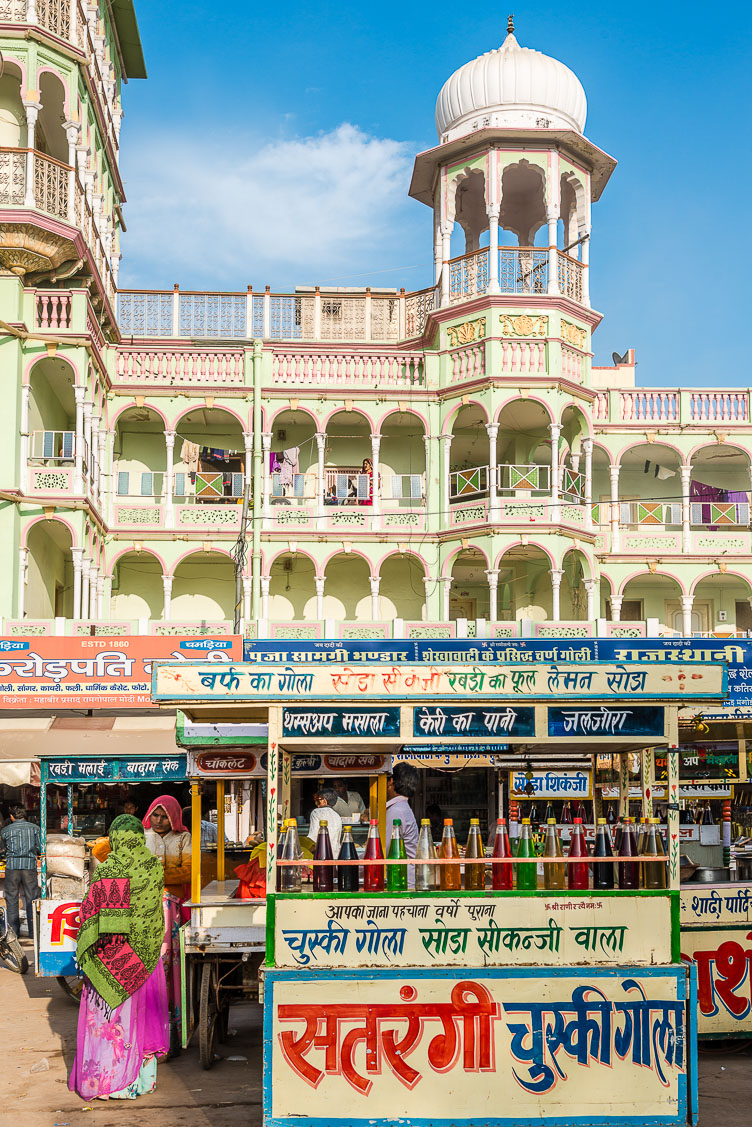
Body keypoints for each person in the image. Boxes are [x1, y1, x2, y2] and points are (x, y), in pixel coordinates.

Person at [69, 814, 169, 1100]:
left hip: (113, 958)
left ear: (114, 838)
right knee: (143, 1017)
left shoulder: (109, 869)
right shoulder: (153, 867)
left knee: (113, 1020)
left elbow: (91, 913)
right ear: (139, 837)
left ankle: (111, 1083)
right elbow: (152, 911)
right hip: (146, 954)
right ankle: (144, 1081)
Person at [0, 803, 41, 939]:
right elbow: (41, 848)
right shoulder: (35, 828)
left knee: (11, 899)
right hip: (29, 866)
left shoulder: (5, 831)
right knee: (32, 898)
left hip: (12, 867)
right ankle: (33, 933)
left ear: (11, 816)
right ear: (24, 815)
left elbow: (2, 850)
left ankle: (13, 934)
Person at [142, 796, 192, 899]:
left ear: (174, 817)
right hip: (143, 897)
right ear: (149, 814)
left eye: (165, 817)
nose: (159, 821)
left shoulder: (183, 837)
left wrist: (155, 877)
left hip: (175, 898)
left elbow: (189, 871)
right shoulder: (140, 835)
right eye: (155, 815)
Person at [386, 764, 419, 886]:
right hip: (404, 878)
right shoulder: (401, 808)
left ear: (391, 782)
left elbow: (385, 850)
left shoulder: (396, 811)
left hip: (401, 881)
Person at [308, 788, 343, 857]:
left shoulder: (316, 812)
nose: (316, 803)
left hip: (322, 854)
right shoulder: (337, 815)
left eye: (318, 800)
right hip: (336, 855)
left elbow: (313, 838)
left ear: (324, 801)